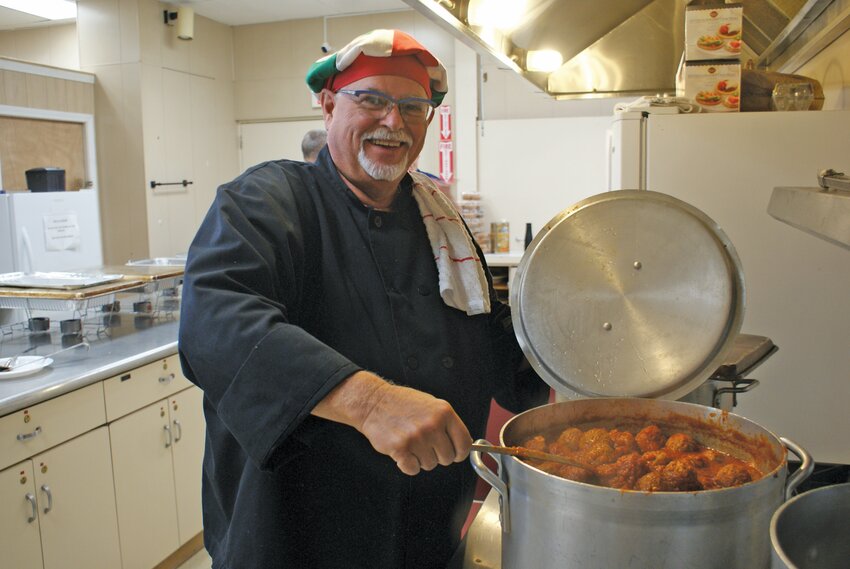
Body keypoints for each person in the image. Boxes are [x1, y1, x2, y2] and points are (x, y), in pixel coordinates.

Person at [178, 29, 547, 569]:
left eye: (412, 106)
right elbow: (217, 321)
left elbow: (486, 339)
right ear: (328, 106)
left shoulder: (441, 224)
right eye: (371, 99)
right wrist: (372, 403)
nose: (393, 122)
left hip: (427, 532)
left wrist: (566, 354)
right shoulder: (267, 201)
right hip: (297, 535)